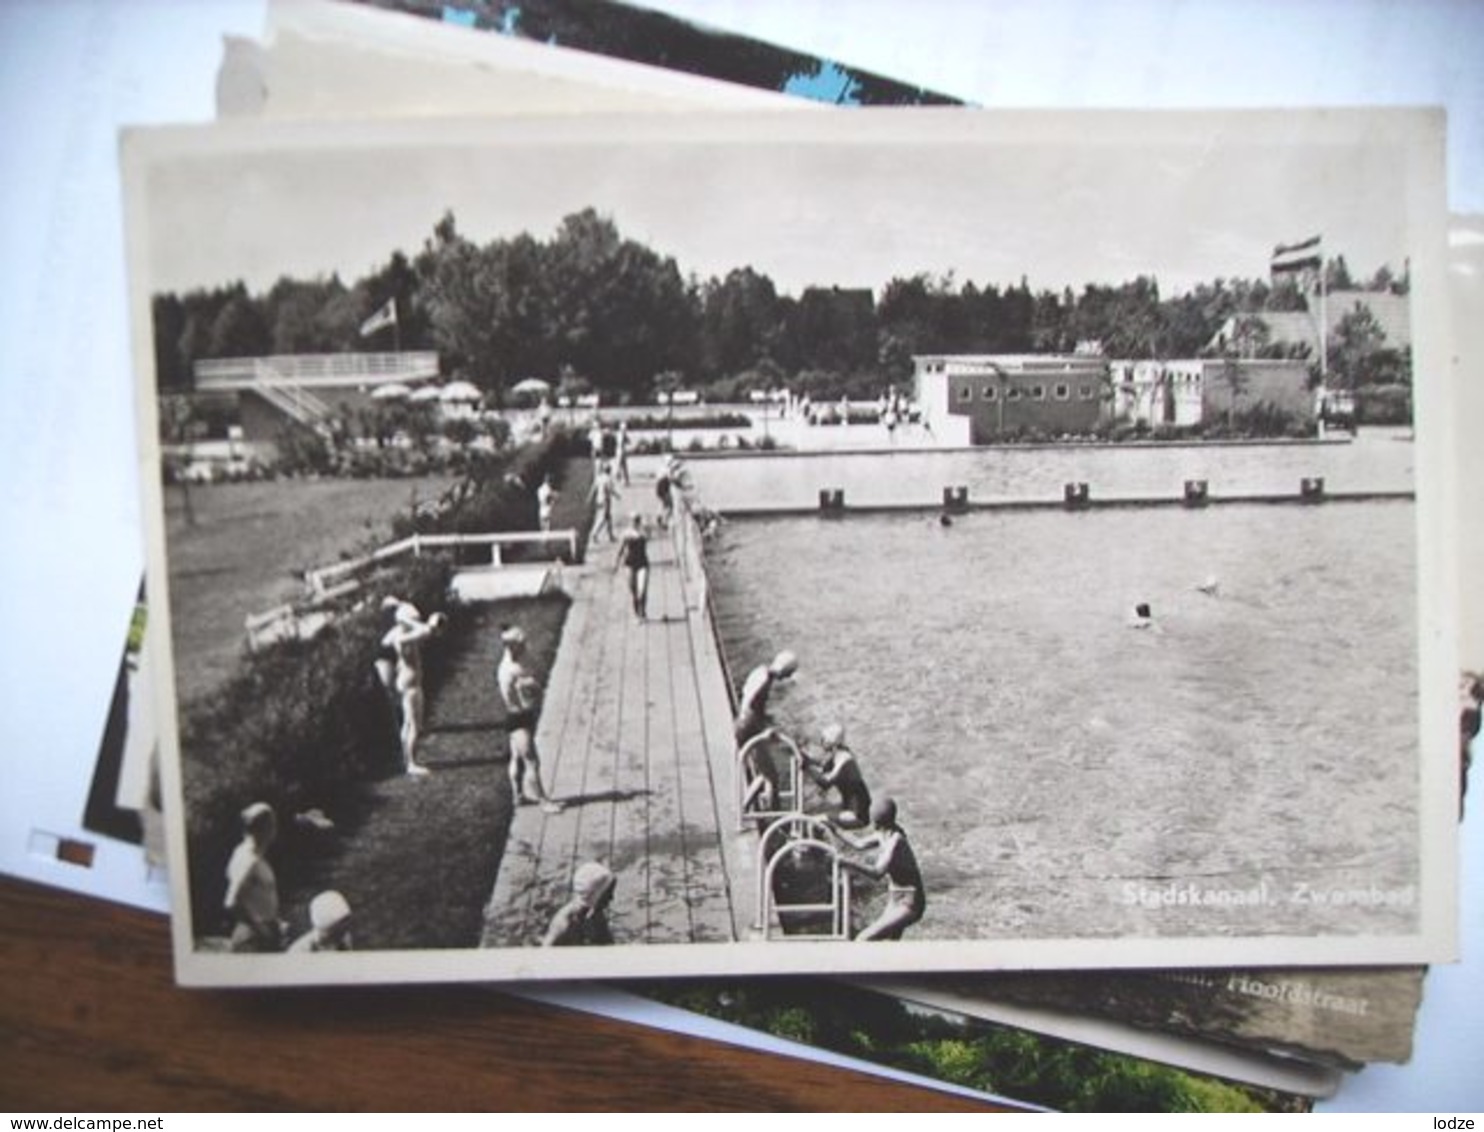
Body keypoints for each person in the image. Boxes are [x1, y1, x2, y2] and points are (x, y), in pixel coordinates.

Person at [836, 796, 925, 941]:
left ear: (875, 822)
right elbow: (859, 844)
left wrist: (848, 863)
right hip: (895, 898)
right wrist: (834, 829)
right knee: (890, 943)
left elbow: (878, 872)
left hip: (910, 903)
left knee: (863, 939)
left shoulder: (895, 840)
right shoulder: (884, 833)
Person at [496, 625, 563, 814]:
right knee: (532, 761)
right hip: (519, 718)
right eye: (520, 644)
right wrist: (532, 686)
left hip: (520, 715)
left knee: (516, 757)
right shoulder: (510, 671)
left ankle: (517, 796)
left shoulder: (514, 659)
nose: (524, 647)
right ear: (512, 646)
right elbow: (521, 697)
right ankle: (543, 801)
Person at [381, 605, 445, 776]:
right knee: (415, 726)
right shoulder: (404, 638)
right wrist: (412, 621)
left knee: (408, 724)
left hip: (407, 682)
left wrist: (406, 619)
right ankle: (411, 763)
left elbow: (425, 632)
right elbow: (425, 630)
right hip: (411, 685)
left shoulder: (398, 634)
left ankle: (407, 758)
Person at [735, 650, 798, 814]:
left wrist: (766, 720)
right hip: (749, 728)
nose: (786, 678)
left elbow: (748, 699)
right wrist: (764, 728)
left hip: (743, 725)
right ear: (784, 670)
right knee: (772, 778)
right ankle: (776, 818)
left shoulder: (760, 671)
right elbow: (753, 706)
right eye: (788, 674)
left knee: (764, 773)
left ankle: (743, 809)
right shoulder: (765, 681)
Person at [224, 802, 284, 952]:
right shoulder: (248, 859)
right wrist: (260, 928)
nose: (275, 829)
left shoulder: (249, 854)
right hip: (253, 939)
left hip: (264, 930)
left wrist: (276, 922)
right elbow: (231, 902)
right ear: (263, 828)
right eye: (272, 824)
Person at [802, 723, 872, 828]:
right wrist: (803, 757)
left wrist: (806, 767)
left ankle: (814, 842)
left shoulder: (845, 759)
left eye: (823, 740)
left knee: (814, 821)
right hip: (848, 806)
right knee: (812, 812)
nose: (821, 743)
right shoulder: (837, 753)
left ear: (831, 743)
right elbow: (821, 763)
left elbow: (825, 783)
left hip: (857, 814)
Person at [541, 860, 616, 946]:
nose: (611, 898)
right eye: (608, 894)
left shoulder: (595, 914)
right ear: (593, 896)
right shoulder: (564, 925)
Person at [287, 890, 354, 953]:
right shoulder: (299, 951)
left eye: (346, 921)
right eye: (341, 924)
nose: (346, 927)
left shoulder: (343, 939)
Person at [614, 512, 650, 622]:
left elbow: (648, 536)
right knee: (633, 590)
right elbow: (620, 549)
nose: (634, 522)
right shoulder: (626, 534)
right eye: (633, 520)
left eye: (636, 520)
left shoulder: (643, 532)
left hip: (642, 563)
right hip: (630, 564)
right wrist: (616, 562)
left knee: (642, 589)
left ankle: (642, 610)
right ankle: (637, 613)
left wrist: (643, 529)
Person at [589, 461, 620, 544]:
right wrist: (617, 495)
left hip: (599, 499)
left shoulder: (599, 478)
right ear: (609, 470)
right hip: (606, 500)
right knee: (604, 518)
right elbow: (610, 489)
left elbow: (593, 488)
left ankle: (610, 535)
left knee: (609, 518)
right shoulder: (608, 479)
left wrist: (590, 498)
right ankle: (594, 533)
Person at [614, 420, 631, 485]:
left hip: (621, 451)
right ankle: (620, 479)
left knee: (623, 467)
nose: (625, 430)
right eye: (624, 429)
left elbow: (628, 441)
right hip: (620, 451)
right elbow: (621, 443)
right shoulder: (621, 435)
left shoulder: (622, 434)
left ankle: (625, 480)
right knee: (620, 467)